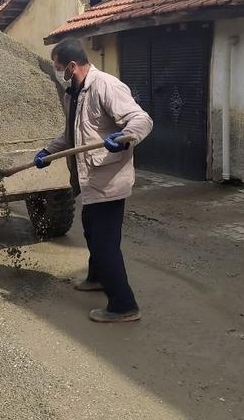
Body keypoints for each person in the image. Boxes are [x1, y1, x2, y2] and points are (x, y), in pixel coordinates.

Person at [35, 38, 153, 323]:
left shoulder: (106, 86)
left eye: (60, 68)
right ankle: (97, 277)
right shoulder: (72, 95)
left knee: (104, 243)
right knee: (91, 231)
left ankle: (124, 306)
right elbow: (70, 135)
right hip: (88, 181)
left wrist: (125, 138)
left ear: (72, 66)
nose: (59, 73)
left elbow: (141, 119)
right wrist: (48, 152)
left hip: (108, 179)